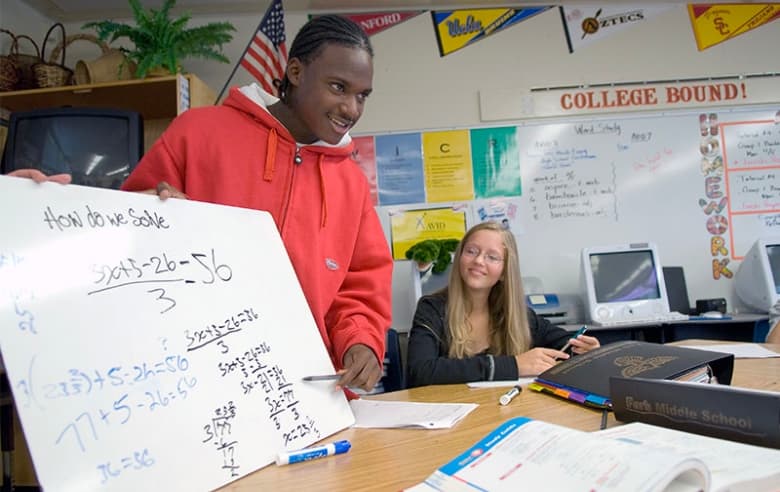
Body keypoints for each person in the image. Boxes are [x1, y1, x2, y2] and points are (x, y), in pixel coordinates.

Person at [9, 15, 392, 392]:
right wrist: (151, 218)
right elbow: (123, 247)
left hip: (305, 391)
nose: (352, 109)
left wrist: (360, 342)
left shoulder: (351, 184)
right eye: (339, 87)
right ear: (295, 71)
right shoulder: (197, 132)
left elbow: (360, 285)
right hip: (191, 382)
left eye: (362, 95)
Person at [406, 221, 600, 387]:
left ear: (504, 271)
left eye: (492, 257)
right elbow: (421, 372)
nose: (479, 261)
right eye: (471, 251)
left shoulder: (517, 315)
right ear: (459, 259)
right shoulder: (431, 308)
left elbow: (564, 346)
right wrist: (514, 366)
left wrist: (586, 352)